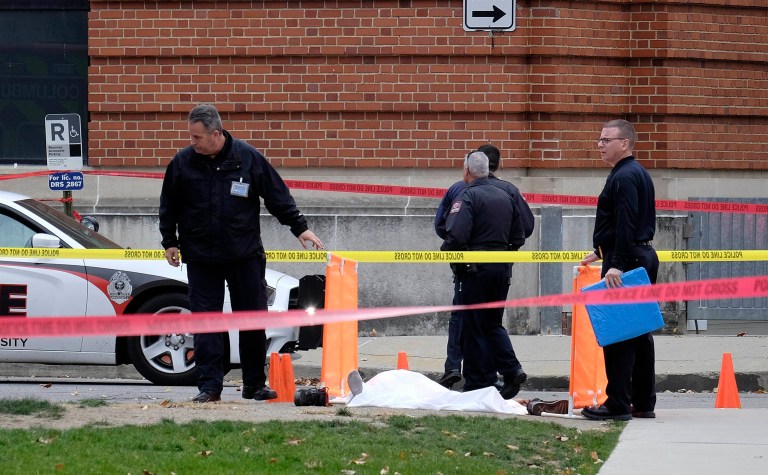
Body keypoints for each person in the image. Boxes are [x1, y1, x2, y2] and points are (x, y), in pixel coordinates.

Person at [159, 104, 324, 403]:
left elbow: (277, 196)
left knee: (251, 319)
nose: (192, 142)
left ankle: (253, 384)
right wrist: (169, 240)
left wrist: (299, 228)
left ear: (216, 133)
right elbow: (168, 203)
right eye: (190, 137)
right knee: (206, 322)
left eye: (197, 137)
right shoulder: (183, 162)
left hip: (243, 254)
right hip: (200, 256)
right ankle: (209, 387)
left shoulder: (247, 158)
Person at [434, 144, 534, 389]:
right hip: (501, 269)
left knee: (472, 323)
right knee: (491, 323)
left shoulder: (466, 194)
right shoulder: (507, 193)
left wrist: (448, 253)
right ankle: (511, 369)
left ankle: (477, 381)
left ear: (467, 170)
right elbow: (521, 234)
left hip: (474, 269)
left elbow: (454, 233)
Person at [580, 119, 659, 421]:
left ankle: (617, 403)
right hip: (635, 255)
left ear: (624, 143)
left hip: (628, 261)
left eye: (606, 140)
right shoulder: (633, 173)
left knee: (619, 334)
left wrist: (616, 263)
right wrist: (602, 251)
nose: (600, 145)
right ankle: (642, 402)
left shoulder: (625, 176)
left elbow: (627, 221)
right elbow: (625, 224)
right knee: (639, 333)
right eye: (599, 139)